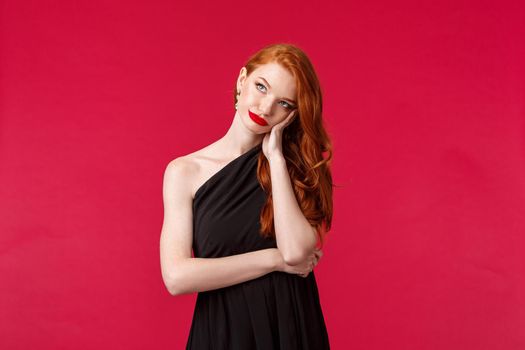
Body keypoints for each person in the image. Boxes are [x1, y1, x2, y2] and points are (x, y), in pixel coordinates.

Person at [160, 43, 334, 349]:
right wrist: (272, 260)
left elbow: (296, 253)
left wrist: (276, 160)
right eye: (261, 87)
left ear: (294, 114)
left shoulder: (295, 168)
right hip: (223, 332)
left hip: (291, 328)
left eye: (284, 103)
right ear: (242, 81)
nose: (266, 108)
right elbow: (176, 277)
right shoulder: (184, 171)